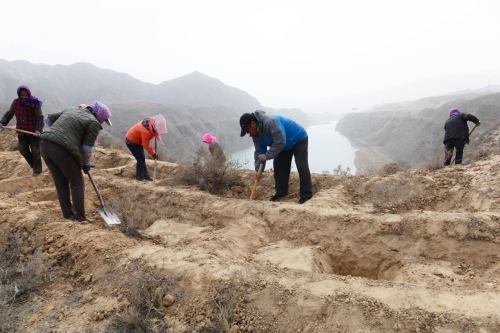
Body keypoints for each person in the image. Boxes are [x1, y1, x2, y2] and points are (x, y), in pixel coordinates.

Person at [40, 102, 112, 222]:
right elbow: (87, 148)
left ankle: (68, 216)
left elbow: (47, 118)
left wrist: (58, 132)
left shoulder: (71, 110)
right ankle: (81, 217)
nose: (101, 122)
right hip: (61, 150)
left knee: (61, 183)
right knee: (77, 183)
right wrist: (85, 163)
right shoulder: (93, 123)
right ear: (99, 116)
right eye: (103, 120)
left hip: (45, 145)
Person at [240, 110, 313, 204]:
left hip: (298, 138)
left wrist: (267, 155)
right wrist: (258, 170)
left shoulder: (270, 122)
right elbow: (259, 152)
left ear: (253, 124)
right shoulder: (255, 135)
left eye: (247, 129)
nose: (247, 133)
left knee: (301, 165)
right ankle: (281, 193)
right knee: (279, 166)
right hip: (283, 145)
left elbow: (280, 141)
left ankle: (306, 195)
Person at [0, 86, 44, 176]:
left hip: (33, 132)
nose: (24, 97)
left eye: (25, 94)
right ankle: (35, 166)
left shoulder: (34, 102)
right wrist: (2, 122)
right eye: (22, 95)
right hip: (21, 132)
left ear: (28, 93)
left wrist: (38, 129)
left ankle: (37, 171)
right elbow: (9, 114)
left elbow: (40, 117)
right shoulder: (16, 102)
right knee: (23, 150)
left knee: (36, 151)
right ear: (19, 94)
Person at [125, 115, 167, 181]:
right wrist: (153, 154)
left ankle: (145, 175)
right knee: (140, 159)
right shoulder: (145, 131)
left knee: (142, 158)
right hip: (131, 142)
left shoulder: (152, 123)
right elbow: (146, 145)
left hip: (138, 141)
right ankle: (140, 177)